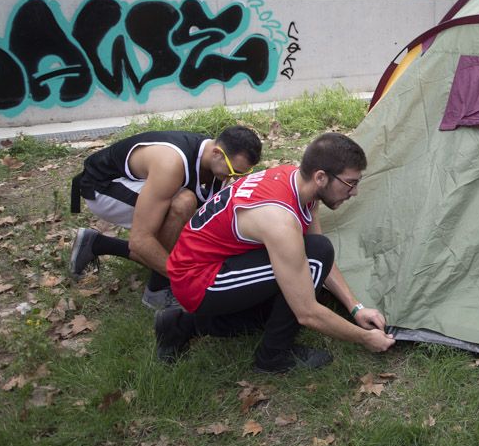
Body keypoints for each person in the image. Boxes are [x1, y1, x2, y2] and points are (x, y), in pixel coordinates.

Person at [156, 132, 395, 373]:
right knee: (305, 283)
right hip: (197, 280)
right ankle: (273, 356)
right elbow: (307, 313)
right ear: (321, 177)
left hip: (214, 261)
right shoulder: (278, 219)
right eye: (350, 183)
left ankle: (181, 325)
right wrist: (364, 338)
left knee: (313, 257)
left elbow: (318, 252)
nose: (354, 192)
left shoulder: (299, 182)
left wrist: (356, 308)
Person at [69, 127, 262, 310]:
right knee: (182, 204)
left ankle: (97, 244)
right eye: (233, 171)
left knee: (182, 230)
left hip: (138, 183)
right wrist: (185, 279)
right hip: (101, 187)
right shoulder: (171, 164)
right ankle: (158, 289)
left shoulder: (213, 162)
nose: (234, 177)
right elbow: (140, 240)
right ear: (217, 153)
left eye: (242, 173)